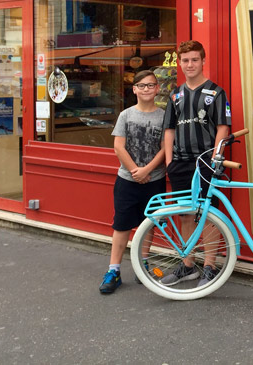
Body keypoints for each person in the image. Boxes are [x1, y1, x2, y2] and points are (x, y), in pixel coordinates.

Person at [161, 40, 231, 287]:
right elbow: (169, 129)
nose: (189, 64)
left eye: (194, 60)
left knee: (209, 215)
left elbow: (224, 126)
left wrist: (214, 158)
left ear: (203, 61)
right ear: (179, 63)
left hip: (205, 162)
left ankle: (210, 267)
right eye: (185, 60)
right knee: (185, 215)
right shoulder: (175, 95)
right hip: (180, 163)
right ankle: (188, 265)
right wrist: (169, 161)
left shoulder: (216, 92)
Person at [99, 70, 166, 294]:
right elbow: (119, 146)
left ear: (157, 89)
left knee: (150, 223)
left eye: (151, 85)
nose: (146, 89)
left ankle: (143, 264)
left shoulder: (164, 116)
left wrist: (147, 170)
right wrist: (135, 171)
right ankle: (114, 270)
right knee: (122, 225)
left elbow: (166, 148)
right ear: (134, 89)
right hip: (127, 180)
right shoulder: (126, 115)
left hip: (154, 179)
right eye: (142, 85)